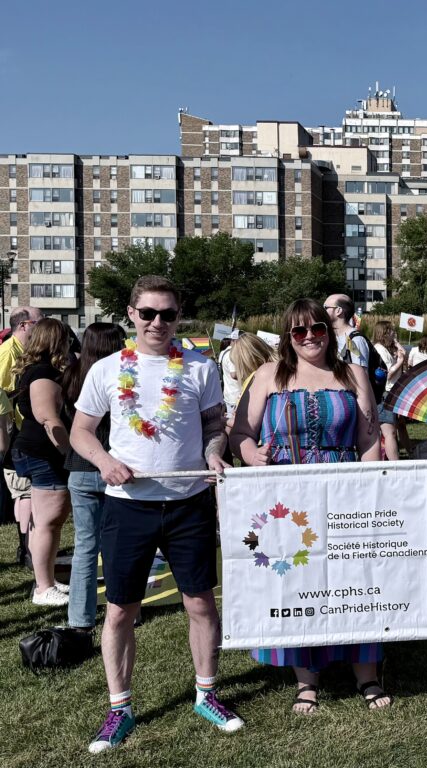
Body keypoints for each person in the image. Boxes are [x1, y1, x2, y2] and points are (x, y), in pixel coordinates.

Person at [70, 275, 242, 753]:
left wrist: (213, 454)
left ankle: (207, 694)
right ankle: (118, 708)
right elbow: (81, 432)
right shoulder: (106, 369)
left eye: (167, 314)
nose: (158, 323)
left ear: (178, 316)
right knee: (122, 608)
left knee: (200, 602)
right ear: (131, 315)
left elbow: (214, 427)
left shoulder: (200, 367)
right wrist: (105, 462)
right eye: (148, 313)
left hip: (189, 502)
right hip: (128, 507)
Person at [229, 298, 389, 714]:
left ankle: (366, 674)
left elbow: (368, 437)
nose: (310, 337)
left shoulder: (352, 374)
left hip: (345, 488)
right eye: (300, 332)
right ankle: (306, 679)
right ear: (288, 337)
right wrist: (250, 453)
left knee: (356, 577)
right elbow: (240, 432)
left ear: (329, 329)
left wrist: (371, 484)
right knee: (298, 580)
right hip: (287, 494)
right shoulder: (268, 375)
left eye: (317, 328)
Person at [63, 323, 126, 632]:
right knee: (121, 545)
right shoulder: (120, 375)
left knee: (85, 546)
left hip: (81, 466)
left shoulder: (72, 375)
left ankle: (80, 618)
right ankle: (127, 608)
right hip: (113, 465)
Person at [11, 318, 72, 605]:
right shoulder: (43, 373)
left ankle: (45, 580)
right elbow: (49, 419)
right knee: (49, 521)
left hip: (35, 450)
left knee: (44, 522)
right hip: (44, 453)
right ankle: (43, 587)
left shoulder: (35, 370)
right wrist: (68, 452)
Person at [2, 306, 43, 566]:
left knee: (23, 490)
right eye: (39, 323)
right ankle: (26, 549)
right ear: (25, 325)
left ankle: (26, 547)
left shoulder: (21, 350)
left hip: (18, 426)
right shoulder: (7, 352)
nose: (42, 328)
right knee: (22, 490)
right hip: (11, 429)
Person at [223, 333, 276, 435]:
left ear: (245, 362)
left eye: (237, 363)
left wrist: (222, 420)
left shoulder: (258, 381)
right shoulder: (279, 373)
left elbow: (250, 424)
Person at [372, 321, 406, 460]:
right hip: (385, 393)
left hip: (390, 392)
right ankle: (394, 466)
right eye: (392, 331)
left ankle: (388, 461)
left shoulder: (384, 348)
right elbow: (388, 373)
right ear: (385, 332)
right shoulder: (379, 349)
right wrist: (400, 361)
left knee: (390, 431)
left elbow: (402, 353)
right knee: (389, 432)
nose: (394, 333)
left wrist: (397, 344)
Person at [324, 293, 369, 368]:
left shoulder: (355, 340)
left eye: (325, 307)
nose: (322, 311)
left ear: (338, 310)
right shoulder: (328, 337)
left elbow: (361, 375)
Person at [218, 338, 242, 418]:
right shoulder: (231, 354)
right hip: (235, 393)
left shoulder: (223, 352)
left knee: (230, 418)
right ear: (233, 341)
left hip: (229, 391)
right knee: (233, 420)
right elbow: (234, 374)